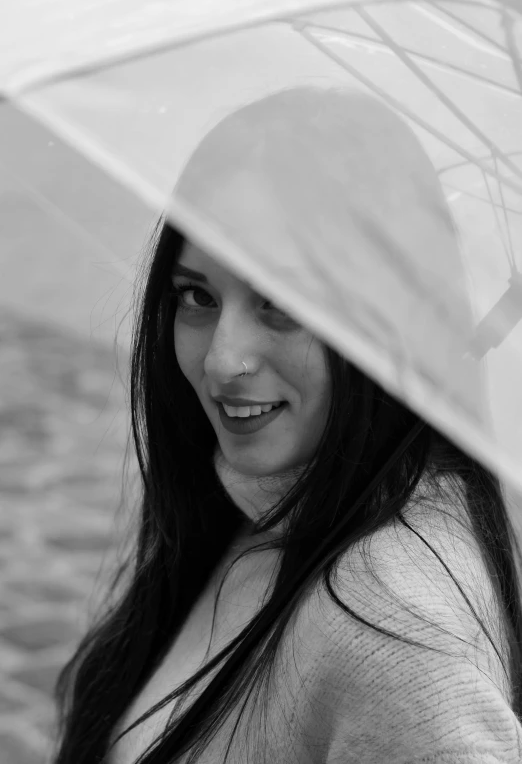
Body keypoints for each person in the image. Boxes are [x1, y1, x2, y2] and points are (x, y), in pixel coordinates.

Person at [53, 88, 522, 764]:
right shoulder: (264, 494)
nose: (221, 359)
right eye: (198, 296)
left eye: (281, 302)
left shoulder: (395, 633)